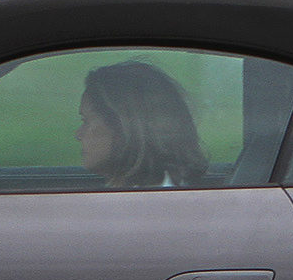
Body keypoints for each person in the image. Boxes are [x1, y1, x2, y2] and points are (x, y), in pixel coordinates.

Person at [76, 59, 210, 188]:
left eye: (86, 121)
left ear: (123, 128)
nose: (78, 135)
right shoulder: (146, 194)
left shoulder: (150, 204)